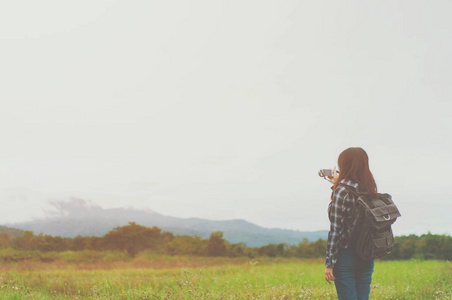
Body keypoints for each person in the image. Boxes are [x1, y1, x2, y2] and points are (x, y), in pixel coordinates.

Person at [324, 147, 377, 300]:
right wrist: (336, 185)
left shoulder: (341, 190)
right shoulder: (370, 188)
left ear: (344, 165)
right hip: (367, 253)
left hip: (346, 254)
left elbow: (336, 230)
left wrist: (329, 263)